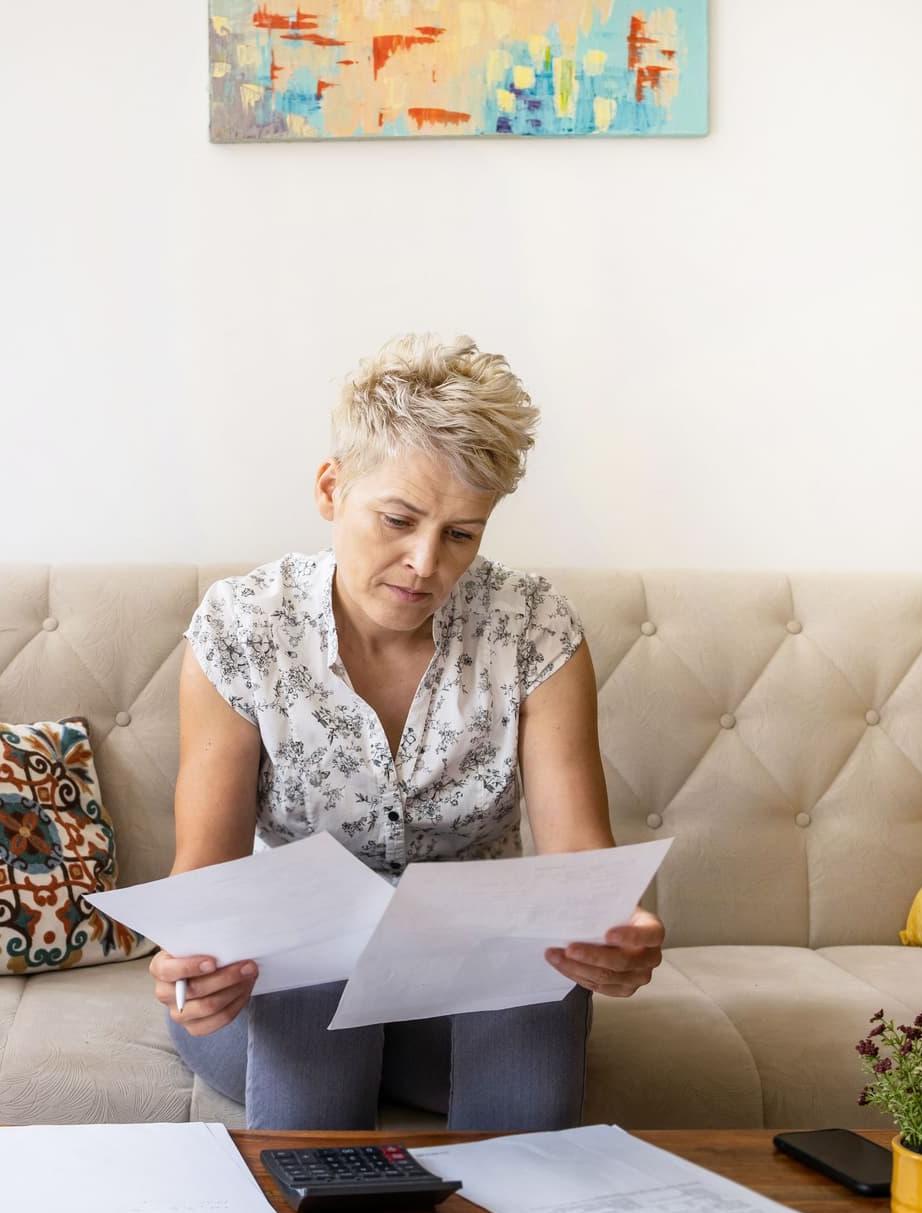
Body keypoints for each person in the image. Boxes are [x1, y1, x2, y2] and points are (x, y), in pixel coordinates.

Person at [154, 331, 666, 1132]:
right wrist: (192, 962)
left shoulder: (535, 631)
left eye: (461, 533)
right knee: (312, 981)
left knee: (537, 991)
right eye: (398, 519)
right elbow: (206, 887)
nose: (425, 563)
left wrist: (611, 939)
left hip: (458, 999)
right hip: (279, 997)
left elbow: (579, 873)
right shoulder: (242, 627)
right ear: (331, 489)